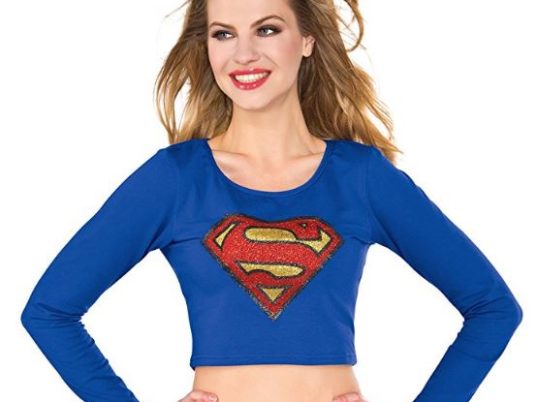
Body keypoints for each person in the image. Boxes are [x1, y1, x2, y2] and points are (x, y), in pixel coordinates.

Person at [20, 0, 523, 401]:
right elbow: (49, 312)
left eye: (266, 29)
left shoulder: (361, 176)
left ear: (307, 39)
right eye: (223, 34)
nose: (243, 54)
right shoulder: (175, 179)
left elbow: (493, 309)